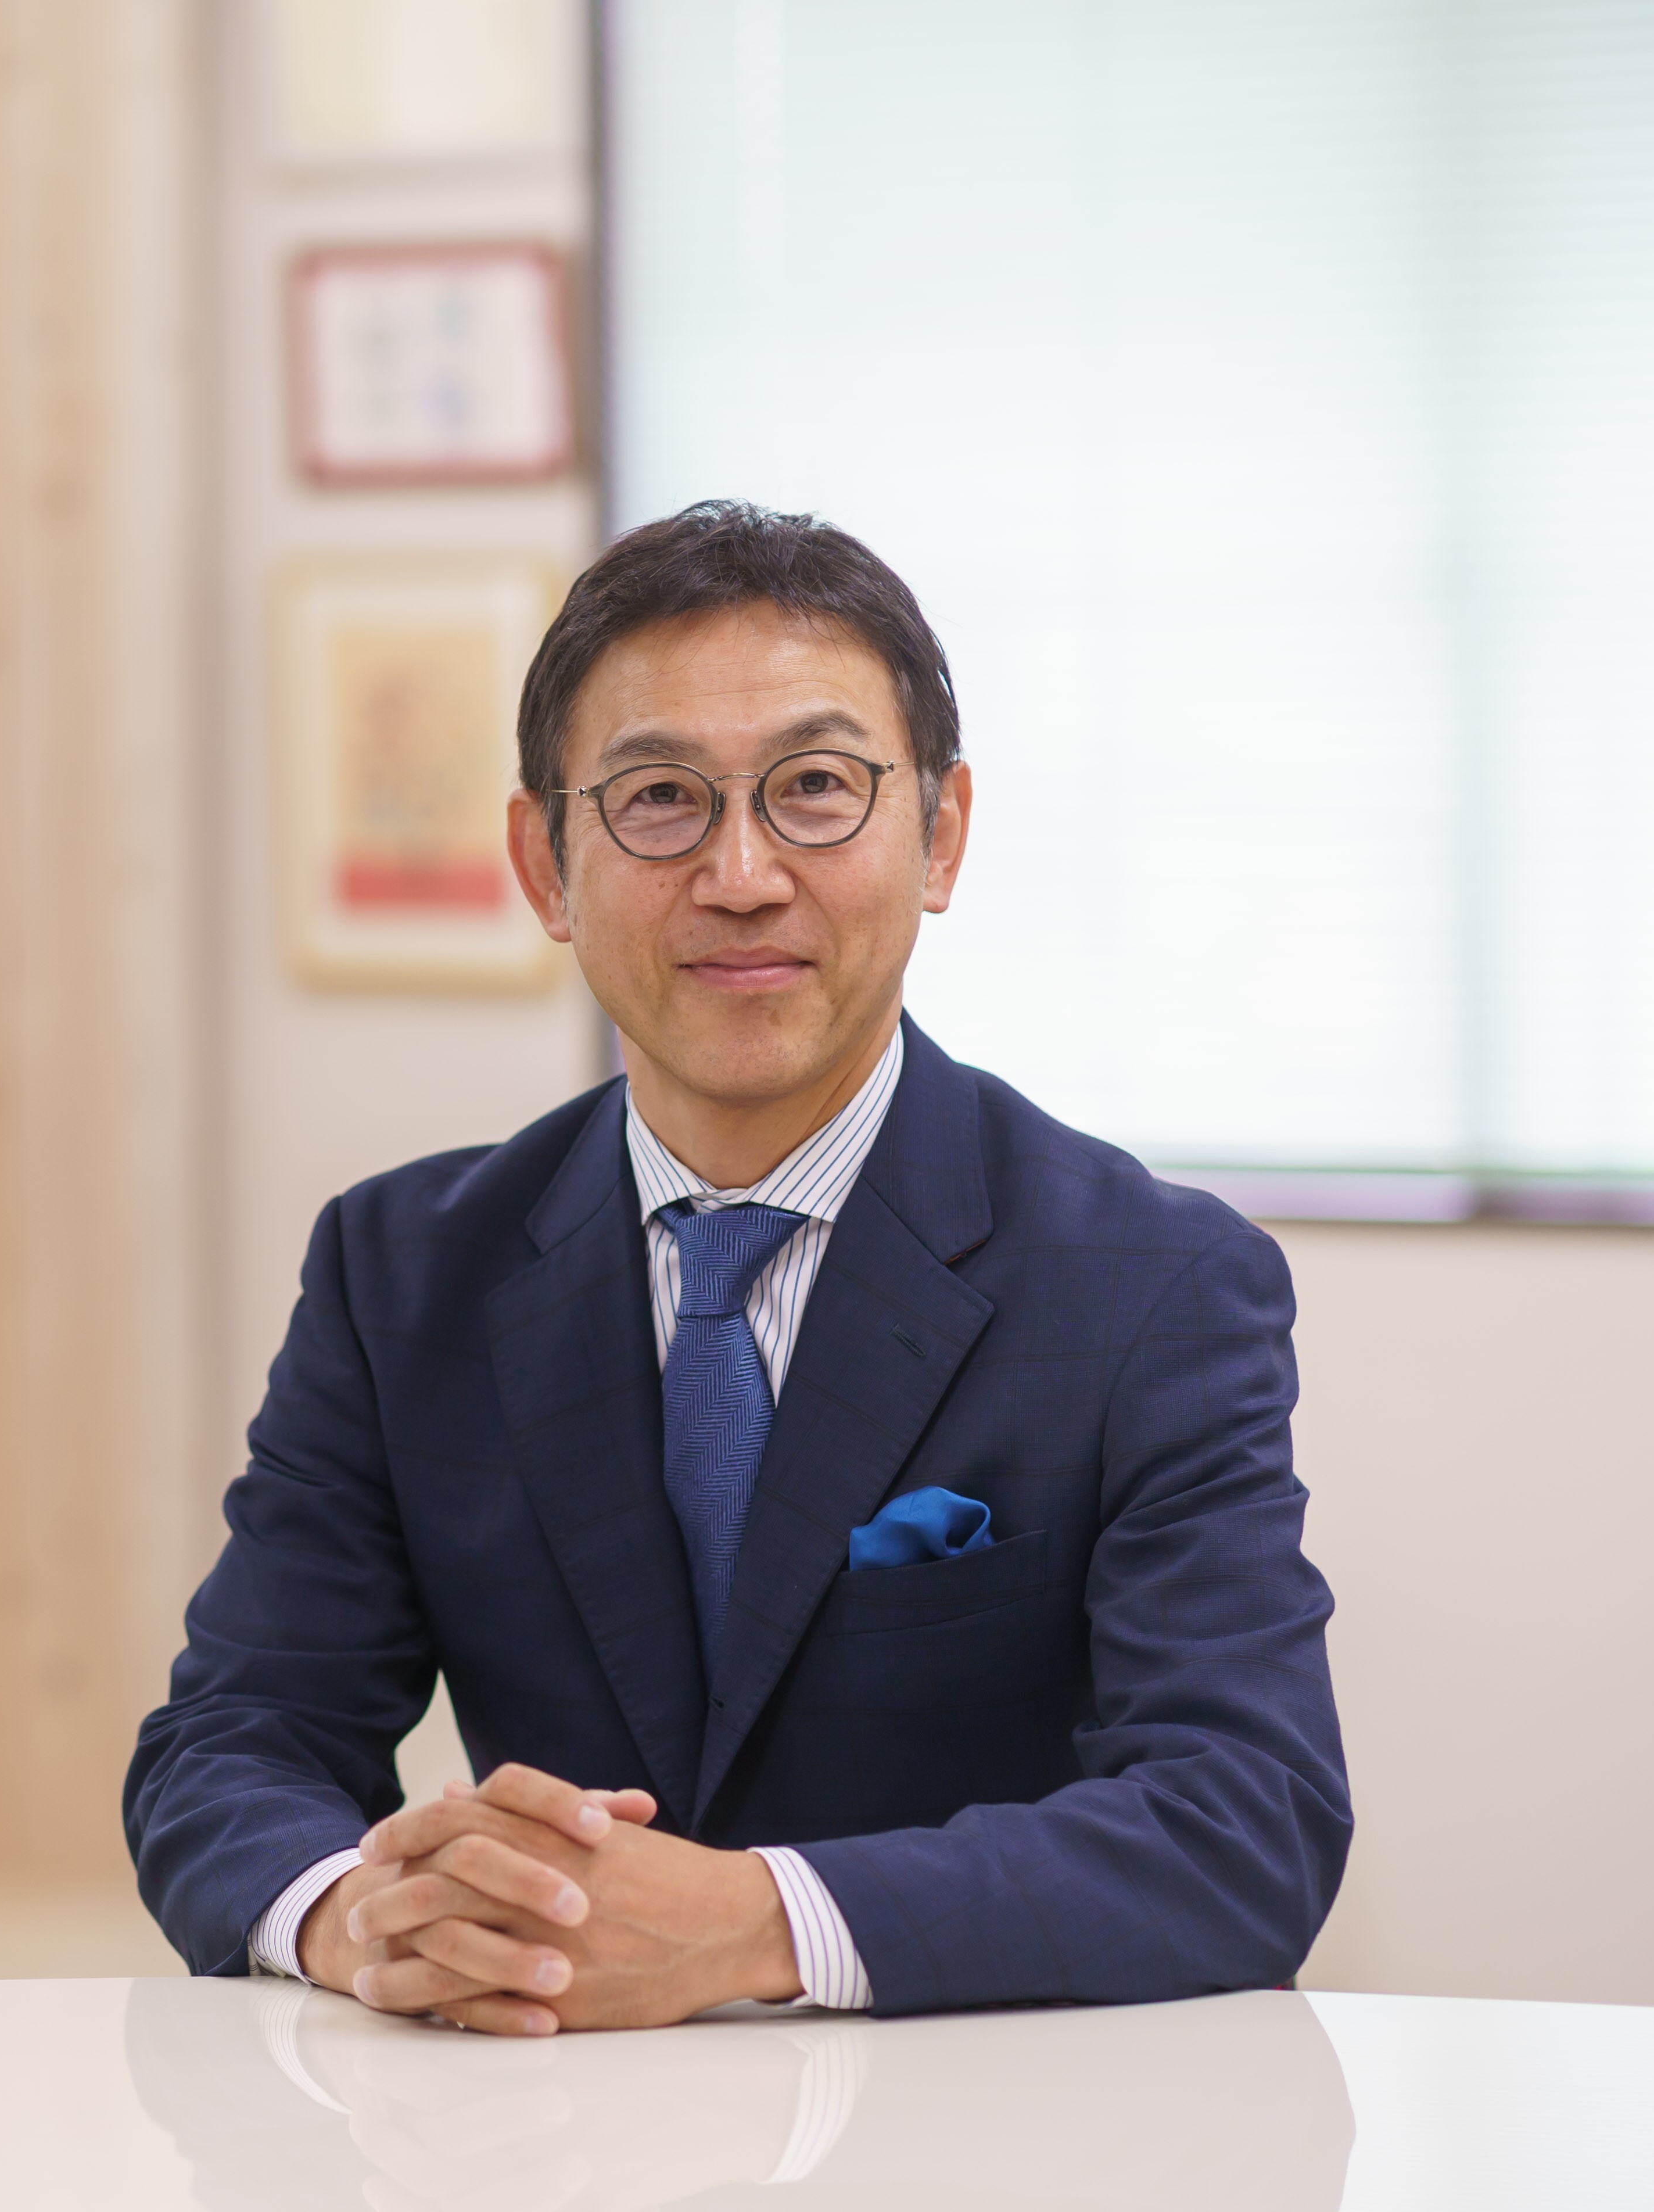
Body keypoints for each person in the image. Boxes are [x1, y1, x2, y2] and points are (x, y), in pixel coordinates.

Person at [125, 500, 1351, 2036]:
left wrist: (752, 1924)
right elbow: (235, 1739)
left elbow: (1241, 1819)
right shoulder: (402, 1273)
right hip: (545, 2114)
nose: (743, 872)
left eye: (817, 789)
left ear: (940, 835)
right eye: (659, 800)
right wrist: (364, 1921)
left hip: (989, 2119)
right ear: (545, 863)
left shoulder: (1153, 1282)